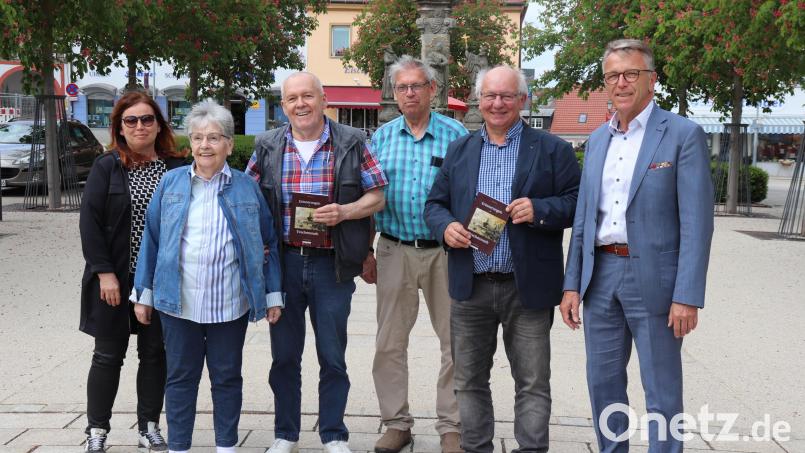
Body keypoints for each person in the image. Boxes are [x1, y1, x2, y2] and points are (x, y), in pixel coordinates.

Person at [560, 39, 714, 453]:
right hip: (600, 278)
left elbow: (698, 224)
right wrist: (572, 284)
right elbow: (582, 219)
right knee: (603, 385)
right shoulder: (596, 141)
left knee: (662, 390)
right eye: (613, 75)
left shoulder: (683, 135)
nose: (621, 83)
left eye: (631, 74)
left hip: (657, 283)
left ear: (652, 80)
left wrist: (687, 295)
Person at [424, 66, 580, 453]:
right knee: (469, 382)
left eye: (506, 96)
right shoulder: (460, 150)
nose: (497, 103)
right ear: (479, 100)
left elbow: (578, 204)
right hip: (470, 285)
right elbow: (434, 205)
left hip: (526, 288)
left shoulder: (552, 149)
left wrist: (540, 208)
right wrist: (445, 228)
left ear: (522, 101)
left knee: (532, 382)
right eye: (490, 96)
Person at [246, 71, 387, 453]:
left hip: (332, 264)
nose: (300, 105)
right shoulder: (267, 145)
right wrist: (253, 243)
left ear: (323, 100)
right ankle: (285, 434)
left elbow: (377, 196)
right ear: (284, 105)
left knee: (332, 355)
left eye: (307, 96)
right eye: (292, 99)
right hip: (285, 263)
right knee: (284, 356)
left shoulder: (353, 142)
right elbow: (246, 197)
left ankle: (333, 434)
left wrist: (345, 211)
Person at [131, 100, 283, 453]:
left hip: (230, 303)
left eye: (214, 138)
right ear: (190, 144)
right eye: (198, 137)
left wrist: (272, 294)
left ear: (229, 144)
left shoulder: (247, 188)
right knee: (181, 377)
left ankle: (226, 446)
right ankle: (179, 446)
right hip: (178, 302)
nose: (204, 146)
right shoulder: (171, 184)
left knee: (227, 378)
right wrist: (144, 293)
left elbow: (269, 242)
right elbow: (150, 241)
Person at [367, 55, 467, 453]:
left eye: (417, 86)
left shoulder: (456, 135)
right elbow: (369, 195)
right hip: (394, 248)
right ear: (395, 94)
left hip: (446, 253)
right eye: (402, 87)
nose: (409, 93)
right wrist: (365, 250)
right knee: (389, 343)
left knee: (454, 343)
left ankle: (452, 426)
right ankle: (396, 423)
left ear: (433, 90)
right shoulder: (381, 138)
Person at [79, 91, 186, 453]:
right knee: (108, 355)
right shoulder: (107, 166)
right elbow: (89, 223)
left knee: (155, 353)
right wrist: (104, 273)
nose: (139, 126)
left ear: (159, 126)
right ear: (120, 129)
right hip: (115, 279)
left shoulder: (176, 167)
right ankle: (97, 431)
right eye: (131, 120)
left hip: (161, 280)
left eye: (147, 119)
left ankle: (149, 427)